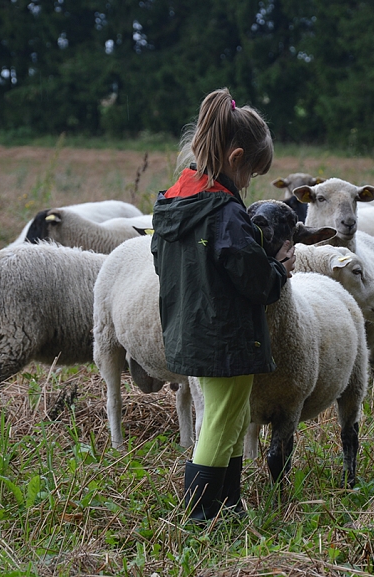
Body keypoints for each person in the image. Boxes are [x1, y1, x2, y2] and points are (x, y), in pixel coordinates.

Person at [151, 88, 294, 522]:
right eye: (253, 170)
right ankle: (199, 517)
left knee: (230, 418)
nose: (251, 181)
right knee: (218, 420)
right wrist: (280, 269)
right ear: (235, 157)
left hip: (192, 328)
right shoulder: (226, 213)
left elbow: (162, 261)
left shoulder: (178, 200)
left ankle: (228, 505)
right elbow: (252, 278)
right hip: (226, 337)